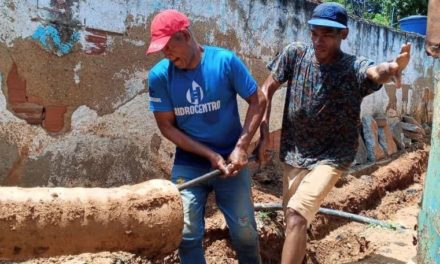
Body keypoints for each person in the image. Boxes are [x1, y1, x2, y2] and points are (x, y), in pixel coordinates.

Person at [256, 2, 411, 263]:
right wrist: (262, 135)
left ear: (344, 35)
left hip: (332, 157)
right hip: (295, 153)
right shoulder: (294, 55)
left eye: (327, 34)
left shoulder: (352, 68)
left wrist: (392, 69)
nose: (319, 40)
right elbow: (265, 91)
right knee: (294, 220)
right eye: (314, 33)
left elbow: (374, 72)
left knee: (295, 214)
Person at [146, 9, 265, 264]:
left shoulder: (225, 62)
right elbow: (167, 127)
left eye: (168, 46)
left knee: (244, 233)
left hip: (232, 163)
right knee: (187, 234)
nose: (165, 53)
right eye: (161, 49)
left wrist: (242, 147)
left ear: (185, 35)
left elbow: (258, 100)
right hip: (189, 164)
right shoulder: (159, 76)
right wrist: (209, 155)